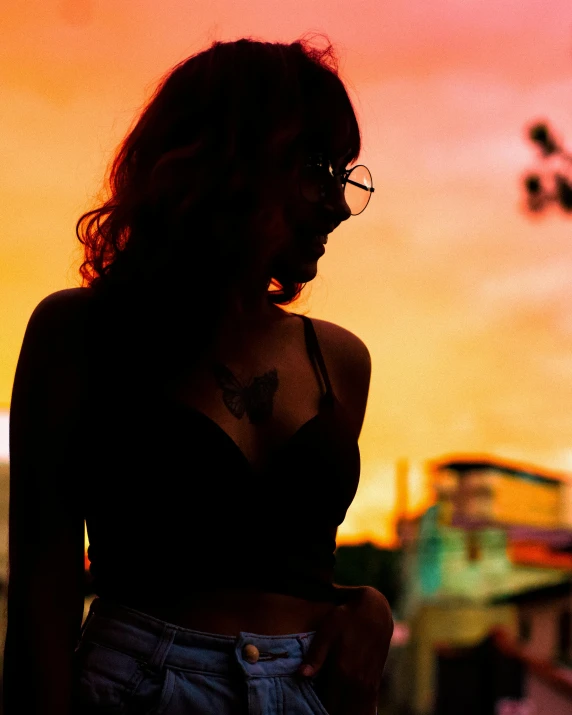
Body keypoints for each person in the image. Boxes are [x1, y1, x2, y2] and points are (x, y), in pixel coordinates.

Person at [4, 35, 393, 715]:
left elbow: (287, 555)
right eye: (314, 169)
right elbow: (44, 591)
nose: (336, 203)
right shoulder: (79, 333)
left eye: (343, 175)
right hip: (140, 689)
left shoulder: (340, 361)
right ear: (230, 165)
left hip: (308, 691)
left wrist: (370, 603)